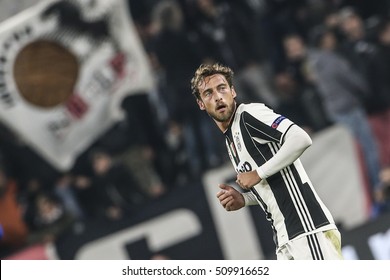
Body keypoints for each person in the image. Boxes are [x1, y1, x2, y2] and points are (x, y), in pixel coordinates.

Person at [190, 63, 343, 260]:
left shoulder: (248, 115)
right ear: (201, 104)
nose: (218, 96)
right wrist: (245, 199)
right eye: (208, 93)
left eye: (222, 88)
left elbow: (301, 138)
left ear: (233, 91)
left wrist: (258, 173)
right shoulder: (231, 140)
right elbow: (272, 188)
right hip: (285, 239)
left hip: (307, 229)